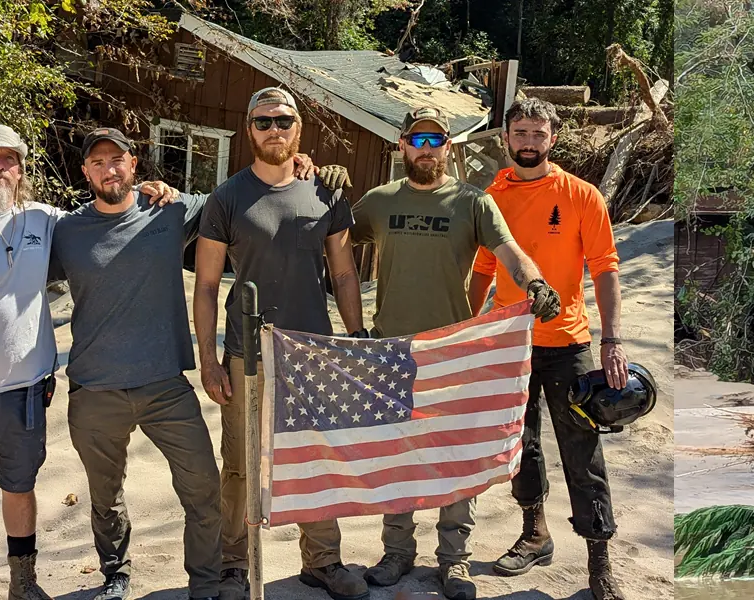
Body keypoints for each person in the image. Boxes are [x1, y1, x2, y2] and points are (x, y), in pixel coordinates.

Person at [51, 127, 349, 600]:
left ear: (134, 164)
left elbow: (252, 193)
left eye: (118, 159)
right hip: (93, 387)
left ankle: (207, 582)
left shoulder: (171, 210)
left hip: (165, 384)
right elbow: (21, 290)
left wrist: (297, 161)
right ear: (85, 172)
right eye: (98, 162)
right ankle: (116, 573)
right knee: (105, 494)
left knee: (204, 487)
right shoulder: (63, 231)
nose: (110, 169)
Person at [0, 124, 179, 600]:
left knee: (20, 487)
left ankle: (22, 583)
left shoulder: (45, 221)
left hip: (26, 393)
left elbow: (101, 218)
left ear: (21, 169)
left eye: (9, 159)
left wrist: (146, 191)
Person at [349, 106, 560, 600]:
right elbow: (331, 236)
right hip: (391, 350)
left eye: (436, 140)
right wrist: (324, 185)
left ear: (450, 146)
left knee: (454, 457)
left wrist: (535, 282)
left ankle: (455, 560)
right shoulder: (377, 202)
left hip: (454, 353)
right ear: (402, 145)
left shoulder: (473, 202)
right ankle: (397, 552)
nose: (427, 150)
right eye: (417, 141)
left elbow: (509, 251)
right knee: (397, 456)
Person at [193, 87, 368, 600]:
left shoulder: (327, 193)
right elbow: (205, 285)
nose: (275, 130)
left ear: (299, 128)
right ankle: (232, 565)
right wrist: (208, 357)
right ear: (249, 129)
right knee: (241, 465)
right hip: (247, 354)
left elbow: (344, 272)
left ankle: (323, 560)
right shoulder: (226, 199)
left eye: (284, 121)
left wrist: (355, 340)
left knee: (315, 457)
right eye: (264, 121)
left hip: (313, 353)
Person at [467, 98, 629, 600]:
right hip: (509, 342)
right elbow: (483, 271)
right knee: (521, 445)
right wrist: (468, 332)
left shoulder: (581, 195)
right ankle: (535, 532)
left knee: (582, 449)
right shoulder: (490, 198)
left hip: (569, 343)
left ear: (552, 139)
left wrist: (612, 339)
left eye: (538, 133)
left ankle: (599, 560)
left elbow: (605, 268)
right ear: (506, 138)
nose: (529, 142)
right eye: (521, 132)